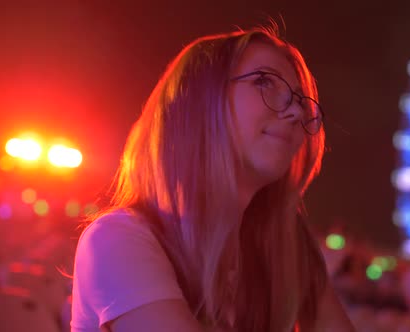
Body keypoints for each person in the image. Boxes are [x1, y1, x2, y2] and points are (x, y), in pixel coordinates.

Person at [71, 22, 355, 332]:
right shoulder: (118, 240)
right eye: (264, 82)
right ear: (196, 101)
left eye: (301, 101)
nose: (297, 113)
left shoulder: (287, 249)